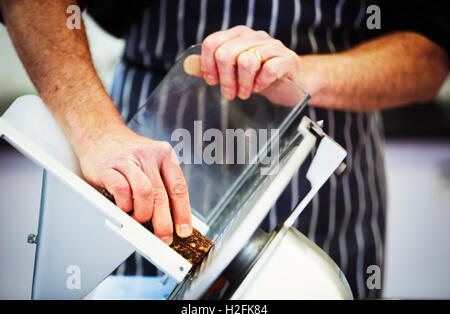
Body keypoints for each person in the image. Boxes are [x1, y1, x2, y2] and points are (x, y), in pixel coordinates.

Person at [1, 0, 448, 298]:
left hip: (324, 156)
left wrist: (304, 76)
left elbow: (431, 55)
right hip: (145, 148)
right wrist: (96, 130)